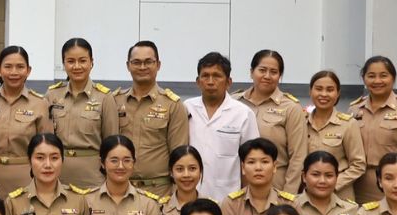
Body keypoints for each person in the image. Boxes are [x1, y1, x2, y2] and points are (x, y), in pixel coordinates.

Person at [106, 40, 189, 194]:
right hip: (121, 188)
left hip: (158, 190)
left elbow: (179, 155)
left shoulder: (173, 105)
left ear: (158, 65)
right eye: (136, 62)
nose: (142, 67)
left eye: (148, 62)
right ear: (128, 66)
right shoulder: (114, 101)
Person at [0, 45, 50, 195]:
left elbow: (46, 147)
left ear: (28, 70)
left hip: (26, 176)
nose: (14, 72)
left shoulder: (40, 103)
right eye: (8, 67)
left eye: (20, 67)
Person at [184, 52, 257, 202]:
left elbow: (251, 160)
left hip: (228, 199)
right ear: (198, 81)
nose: (210, 82)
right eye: (205, 76)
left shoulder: (243, 114)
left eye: (217, 76)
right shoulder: (186, 108)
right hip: (190, 196)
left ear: (229, 82)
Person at [351, 56, 397, 204]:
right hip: (356, 184)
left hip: (392, 184)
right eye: (371, 76)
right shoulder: (354, 109)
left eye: (383, 75)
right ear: (364, 79)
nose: (377, 81)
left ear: (393, 78)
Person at [47, 38, 116, 190]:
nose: (77, 66)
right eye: (71, 61)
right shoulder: (52, 95)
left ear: (92, 62)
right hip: (58, 174)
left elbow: (111, 143)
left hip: (93, 177)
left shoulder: (104, 97)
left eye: (83, 61)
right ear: (64, 64)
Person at [242, 50, 308, 194]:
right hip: (238, 188)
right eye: (262, 70)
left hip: (276, 188)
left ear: (280, 76)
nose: (267, 76)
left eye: (273, 72)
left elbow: (298, 156)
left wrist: (288, 195)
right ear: (251, 72)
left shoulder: (291, 108)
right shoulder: (235, 102)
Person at [302, 69, 366, 200]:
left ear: (338, 93)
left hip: (339, 194)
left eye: (330, 90)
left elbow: (358, 164)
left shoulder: (348, 124)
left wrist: (331, 184)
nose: (324, 94)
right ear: (310, 91)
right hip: (306, 194)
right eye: (318, 89)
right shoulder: (301, 122)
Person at [221, 138, 287, 215]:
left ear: (274, 166)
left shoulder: (288, 204)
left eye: (265, 162)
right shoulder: (231, 205)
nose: (258, 168)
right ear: (243, 168)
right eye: (251, 162)